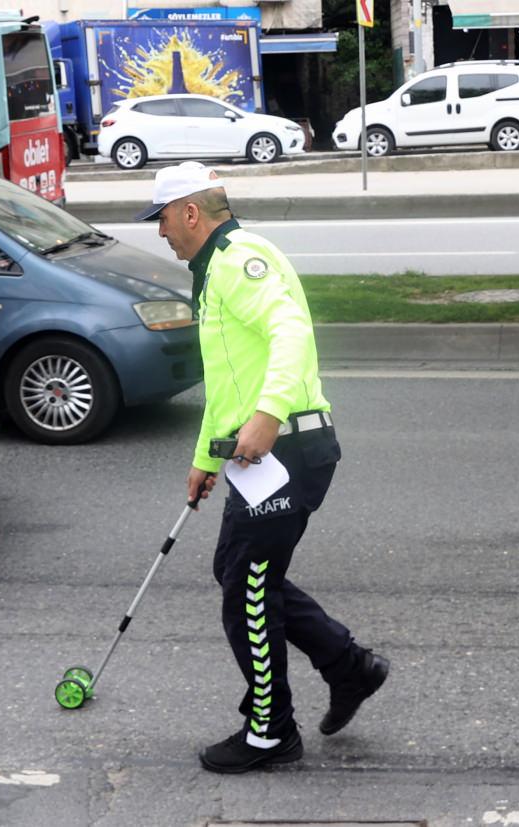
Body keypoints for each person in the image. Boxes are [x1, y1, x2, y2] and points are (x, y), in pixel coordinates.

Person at [136, 161, 389, 774]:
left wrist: (270, 414)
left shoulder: (241, 257)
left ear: (191, 212)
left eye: (164, 219)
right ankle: (349, 667)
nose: (161, 232)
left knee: (246, 586)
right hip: (259, 456)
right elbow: (228, 382)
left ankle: (271, 730)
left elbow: (291, 330)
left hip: (289, 449)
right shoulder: (212, 268)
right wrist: (204, 459)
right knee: (239, 572)